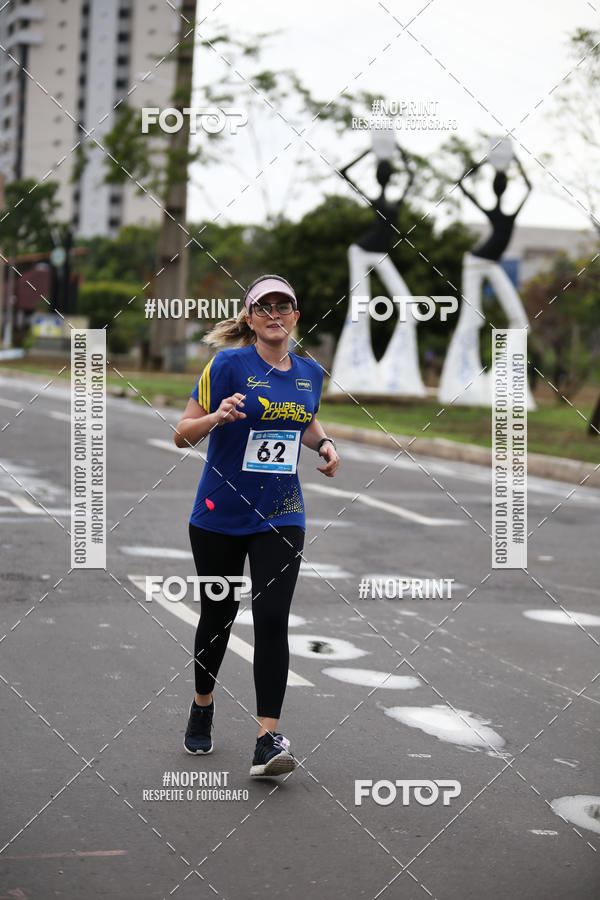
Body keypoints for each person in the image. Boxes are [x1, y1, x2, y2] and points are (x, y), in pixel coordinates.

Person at [174, 274, 340, 777]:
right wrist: (217, 417)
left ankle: (268, 739)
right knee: (218, 616)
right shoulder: (228, 365)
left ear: (295, 316)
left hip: (282, 512)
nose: (273, 314)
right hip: (219, 513)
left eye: (283, 306)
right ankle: (203, 703)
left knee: (271, 619)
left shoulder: (310, 372)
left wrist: (325, 443)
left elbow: (304, 417)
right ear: (249, 318)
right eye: (263, 307)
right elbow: (182, 433)